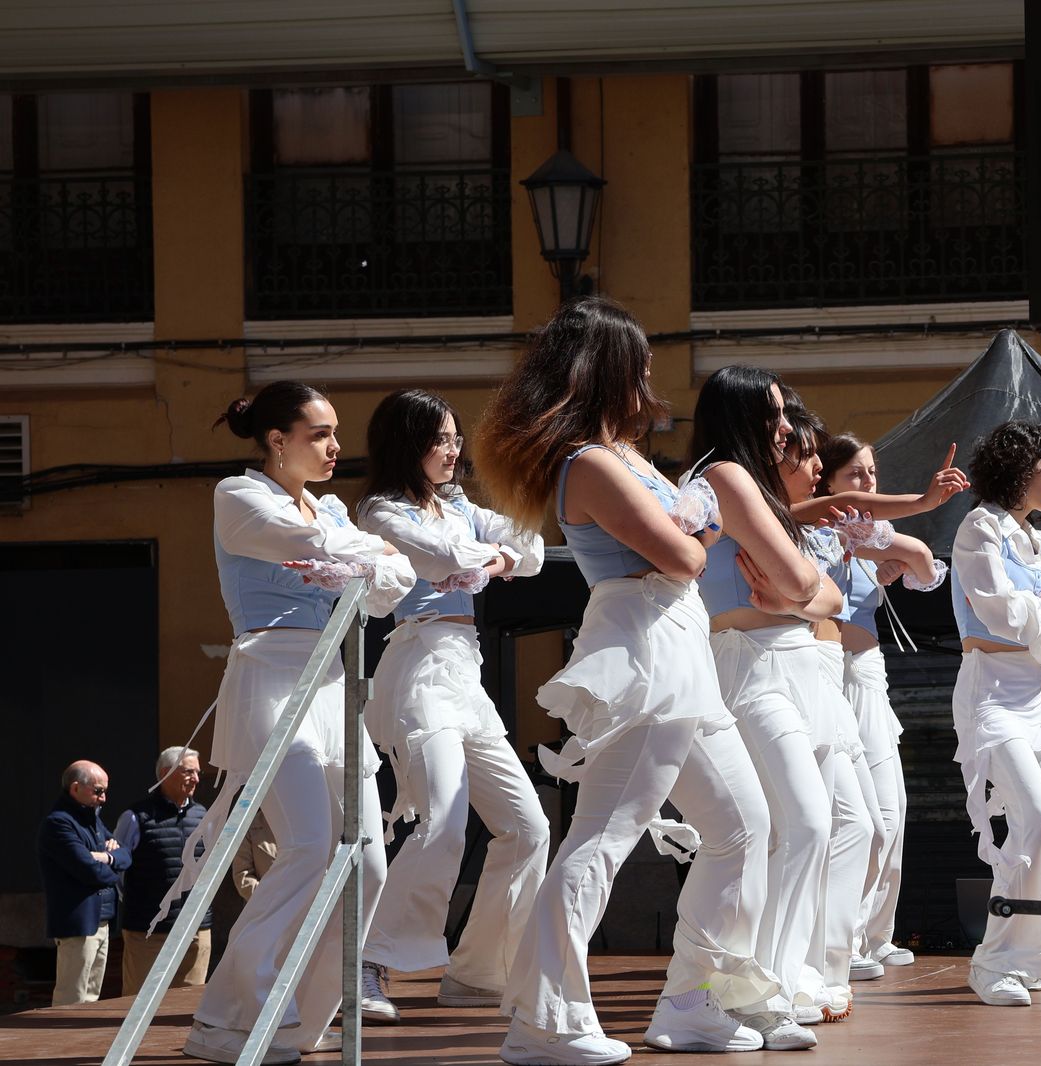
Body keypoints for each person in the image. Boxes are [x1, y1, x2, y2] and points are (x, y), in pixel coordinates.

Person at [475, 299, 790, 1064]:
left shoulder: (627, 459)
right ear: (609, 370)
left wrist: (695, 531)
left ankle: (693, 1004)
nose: (651, 373)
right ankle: (545, 1025)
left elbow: (686, 547)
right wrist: (702, 530)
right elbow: (685, 557)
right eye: (639, 361)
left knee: (743, 827)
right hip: (645, 650)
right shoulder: (588, 463)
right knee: (602, 838)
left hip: (677, 649)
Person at [178, 379, 416, 1064]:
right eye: (321, 434)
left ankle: (304, 1019)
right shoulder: (238, 494)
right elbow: (317, 545)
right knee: (310, 847)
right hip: (271, 677)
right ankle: (230, 1015)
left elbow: (388, 588)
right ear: (278, 440)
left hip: (332, 685)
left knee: (367, 860)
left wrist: (360, 554)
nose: (336, 446)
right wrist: (363, 552)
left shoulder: (331, 507)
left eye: (335, 433)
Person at [355, 388, 550, 1020]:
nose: (452, 449)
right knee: (440, 816)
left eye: (454, 437)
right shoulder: (380, 511)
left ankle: (476, 972)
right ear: (406, 443)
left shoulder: (459, 506)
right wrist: (497, 559)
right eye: (438, 438)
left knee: (527, 828)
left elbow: (535, 550)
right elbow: (438, 559)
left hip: (466, 674)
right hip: (417, 666)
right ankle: (367, 961)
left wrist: (491, 558)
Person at [685, 366, 850, 1032]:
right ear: (739, 417)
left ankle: (774, 982)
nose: (786, 427)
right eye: (774, 415)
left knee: (804, 829)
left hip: (797, 663)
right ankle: (758, 991)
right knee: (802, 825)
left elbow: (826, 595)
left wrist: (793, 598)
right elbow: (805, 581)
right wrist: (799, 593)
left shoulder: (754, 487)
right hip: (750, 667)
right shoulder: (724, 476)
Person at [798, 412, 956, 981]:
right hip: (824, 674)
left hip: (867, 675)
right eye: (855, 475)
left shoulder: (862, 537)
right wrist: (902, 542)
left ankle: (874, 933)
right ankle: (840, 940)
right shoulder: (827, 528)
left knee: (891, 813)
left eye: (872, 473)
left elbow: (923, 567)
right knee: (852, 817)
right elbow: (912, 550)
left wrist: (892, 561)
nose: (867, 484)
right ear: (828, 483)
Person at [949, 420, 1041, 1007]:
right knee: (1035, 816)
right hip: (990, 692)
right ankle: (996, 960)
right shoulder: (979, 527)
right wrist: (1040, 611)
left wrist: (1038, 616)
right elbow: (998, 611)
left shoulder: (1036, 541)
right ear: (1016, 465)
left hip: (1033, 694)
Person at [114, 746, 212, 994]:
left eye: (197, 773)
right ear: (166, 773)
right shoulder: (135, 817)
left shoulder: (204, 816)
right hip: (148, 932)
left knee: (188, 1004)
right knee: (138, 1000)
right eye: (188, 772)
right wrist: (142, 903)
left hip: (195, 929)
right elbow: (118, 871)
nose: (196, 779)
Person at [37, 760, 129, 1005]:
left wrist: (106, 857)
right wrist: (112, 868)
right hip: (78, 924)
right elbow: (90, 872)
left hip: (101, 921)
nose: (103, 798)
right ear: (76, 788)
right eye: (98, 791)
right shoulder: (59, 823)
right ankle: (63, 1033)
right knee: (72, 999)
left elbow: (126, 855)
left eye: (105, 791)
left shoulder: (91, 820)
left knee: (91, 998)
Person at [229, 814, 277, 901]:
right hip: (267, 904)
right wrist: (273, 897)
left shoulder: (301, 823)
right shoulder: (250, 826)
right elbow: (242, 876)